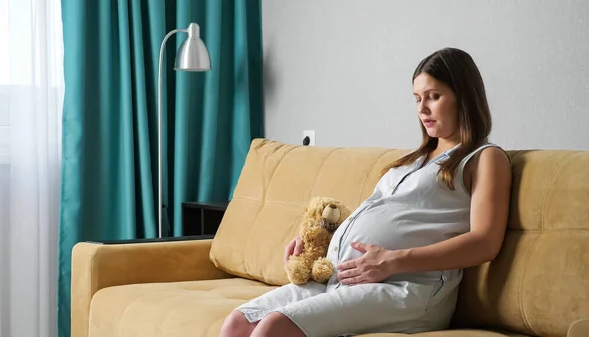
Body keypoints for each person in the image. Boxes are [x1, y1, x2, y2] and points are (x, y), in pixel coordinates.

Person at [218, 47, 513, 337]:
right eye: (417, 99)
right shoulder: (413, 160)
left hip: (408, 288)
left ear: (464, 97)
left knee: (273, 328)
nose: (422, 109)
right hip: (341, 277)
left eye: (434, 97)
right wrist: (322, 243)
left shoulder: (483, 158)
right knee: (237, 323)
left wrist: (394, 260)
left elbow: (485, 242)